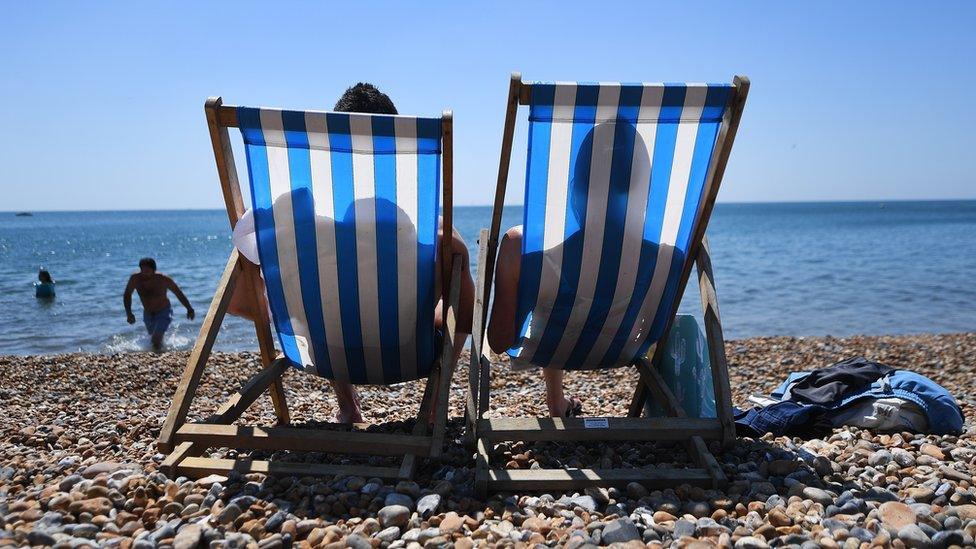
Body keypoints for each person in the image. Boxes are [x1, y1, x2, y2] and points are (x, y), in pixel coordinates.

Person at [228, 83, 474, 423]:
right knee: (452, 260)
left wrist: (282, 293)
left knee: (329, 299)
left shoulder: (300, 234)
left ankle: (348, 406)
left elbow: (242, 305)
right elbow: (466, 314)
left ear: (333, 145)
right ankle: (434, 407)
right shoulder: (437, 235)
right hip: (408, 352)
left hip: (328, 353)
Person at [123, 257, 195, 351]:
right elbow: (127, 295)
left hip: (164, 311)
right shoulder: (135, 279)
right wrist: (129, 313)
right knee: (153, 338)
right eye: (142, 271)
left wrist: (189, 308)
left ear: (154, 270)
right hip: (148, 313)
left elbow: (178, 293)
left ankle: (158, 358)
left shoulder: (163, 279)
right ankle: (160, 351)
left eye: (147, 271)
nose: (144, 274)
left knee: (156, 339)